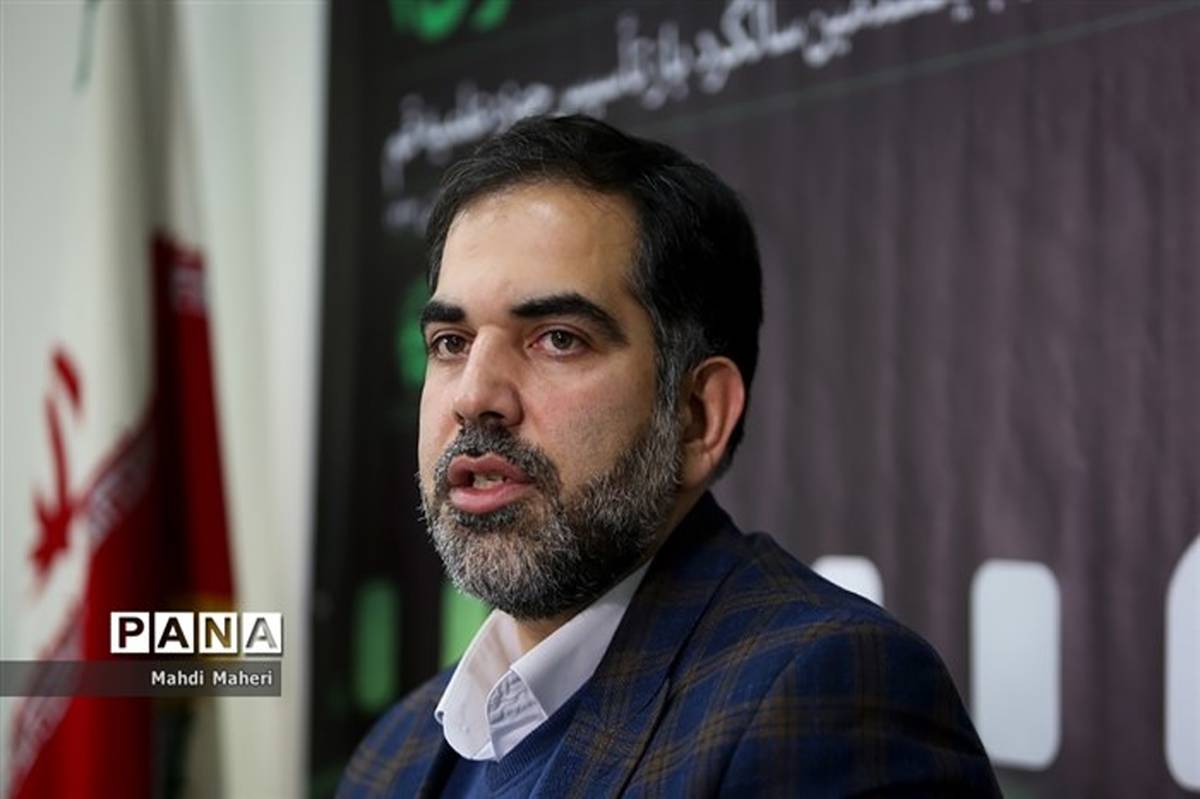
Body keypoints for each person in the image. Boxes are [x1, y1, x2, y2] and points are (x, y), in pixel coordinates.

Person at [338, 114, 1000, 798]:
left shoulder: (830, 700)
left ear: (697, 416)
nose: (475, 396)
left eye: (558, 338)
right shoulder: (391, 755)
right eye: (451, 343)